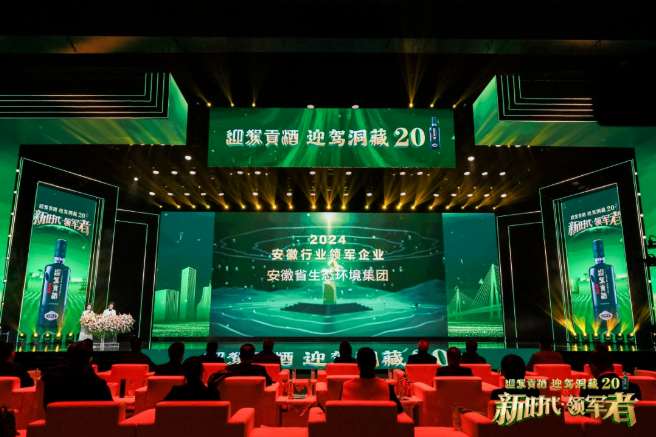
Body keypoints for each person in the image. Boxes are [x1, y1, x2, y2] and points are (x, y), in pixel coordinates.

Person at [42, 343, 112, 408]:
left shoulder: (52, 385)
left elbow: (47, 409)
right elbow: (111, 410)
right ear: (88, 363)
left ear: (68, 361)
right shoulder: (100, 387)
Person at [340, 347, 403, 413]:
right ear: (375, 363)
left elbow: (340, 411)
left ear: (357, 363)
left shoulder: (346, 386)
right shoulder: (386, 387)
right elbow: (399, 410)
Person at [208, 344, 273, 388]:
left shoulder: (230, 369)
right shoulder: (260, 370)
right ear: (253, 357)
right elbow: (269, 382)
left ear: (239, 356)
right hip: (256, 401)